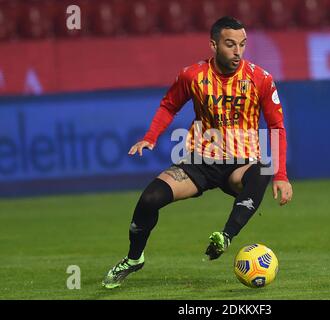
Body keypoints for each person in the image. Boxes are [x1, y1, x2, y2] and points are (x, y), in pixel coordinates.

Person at [102, 16, 293, 289]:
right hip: (199, 162)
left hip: (240, 164)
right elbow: (169, 105)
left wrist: (282, 176)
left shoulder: (260, 79)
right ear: (214, 45)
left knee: (264, 169)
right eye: (230, 44)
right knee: (149, 199)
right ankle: (134, 259)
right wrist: (150, 137)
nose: (237, 51)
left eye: (242, 44)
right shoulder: (193, 75)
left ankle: (225, 237)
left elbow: (277, 126)